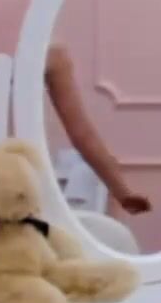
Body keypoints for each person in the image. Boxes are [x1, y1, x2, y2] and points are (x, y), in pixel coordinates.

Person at [45, 42, 151, 217]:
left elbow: (82, 134)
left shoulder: (51, 52)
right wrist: (123, 192)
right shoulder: (52, 52)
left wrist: (122, 192)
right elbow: (82, 134)